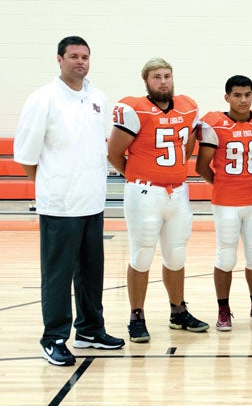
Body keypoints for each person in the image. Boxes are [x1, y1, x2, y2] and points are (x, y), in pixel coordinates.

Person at [14, 36, 125, 366]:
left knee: (92, 273)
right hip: (59, 204)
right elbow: (25, 156)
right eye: (74, 56)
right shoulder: (43, 99)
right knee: (58, 276)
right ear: (59, 59)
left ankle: (90, 329)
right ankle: (54, 338)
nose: (81, 61)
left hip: (93, 201)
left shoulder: (98, 97)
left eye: (85, 56)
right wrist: (49, 186)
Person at [107, 58, 208, 343]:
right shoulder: (134, 108)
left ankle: (178, 311)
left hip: (177, 191)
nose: (163, 81)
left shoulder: (187, 107)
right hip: (144, 192)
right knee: (141, 255)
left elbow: (187, 147)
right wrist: (139, 177)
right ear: (146, 82)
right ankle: (136, 315)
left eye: (167, 76)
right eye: (156, 77)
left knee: (176, 255)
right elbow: (114, 154)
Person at [195, 75, 252, 331]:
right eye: (237, 95)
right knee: (226, 255)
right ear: (227, 97)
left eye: (247, 95)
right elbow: (201, 166)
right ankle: (223, 309)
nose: (243, 100)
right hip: (226, 202)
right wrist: (223, 184)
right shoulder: (215, 124)